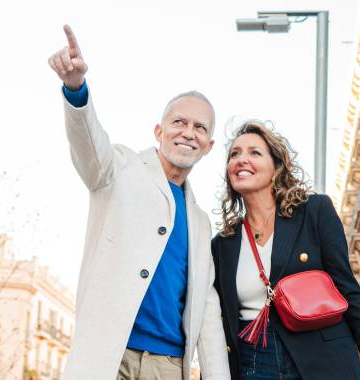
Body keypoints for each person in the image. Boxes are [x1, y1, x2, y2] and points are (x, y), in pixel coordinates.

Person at [47, 25, 229, 380]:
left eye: (200, 128)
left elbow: (206, 310)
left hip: (169, 367)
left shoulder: (201, 221)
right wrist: (75, 89)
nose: (188, 132)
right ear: (159, 132)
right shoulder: (119, 169)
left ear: (208, 146)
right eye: (179, 122)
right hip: (111, 357)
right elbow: (89, 146)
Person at [210, 121, 360, 380]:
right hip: (254, 362)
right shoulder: (222, 245)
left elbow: (346, 286)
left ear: (276, 168)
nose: (242, 159)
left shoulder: (315, 211)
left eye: (255, 152)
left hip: (322, 358)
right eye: (234, 154)